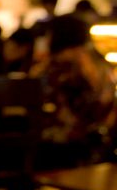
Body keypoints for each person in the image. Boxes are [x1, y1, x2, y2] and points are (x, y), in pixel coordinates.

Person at [30, 14, 117, 168]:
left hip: (65, 145)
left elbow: (34, 93)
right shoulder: (99, 61)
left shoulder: (62, 63)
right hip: (99, 144)